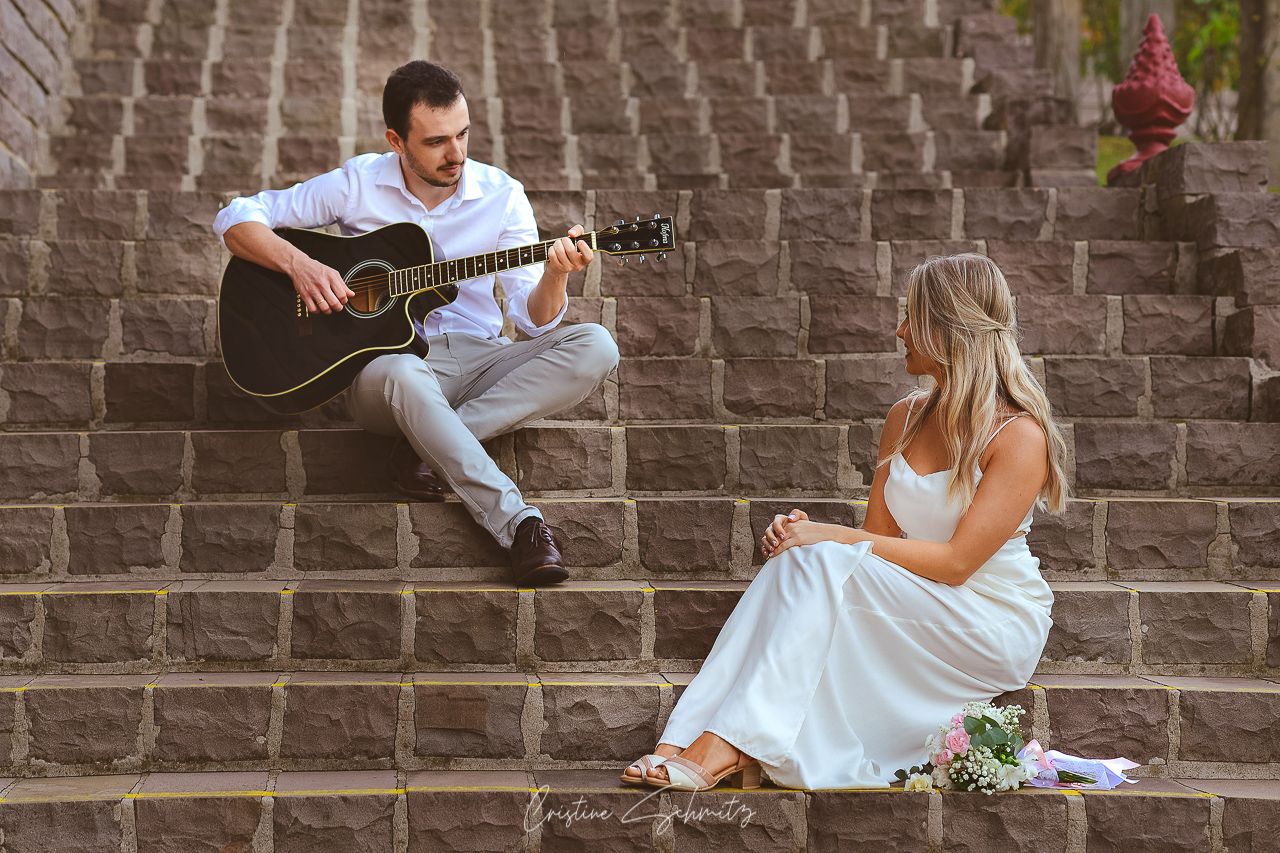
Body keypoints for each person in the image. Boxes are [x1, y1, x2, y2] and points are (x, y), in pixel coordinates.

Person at [623, 253, 1067, 791]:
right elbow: (881, 541)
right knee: (806, 560)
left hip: (989, 619)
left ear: (950, 326)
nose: (899, 329)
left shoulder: (1019, 436)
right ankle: (687, 740)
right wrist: (808, 539)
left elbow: (955, 565)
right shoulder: (904, 417)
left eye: (912, 317)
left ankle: (724, 744)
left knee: (824, 554)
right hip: (920, 599)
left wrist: (833, 538)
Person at [213, 61, 618, 586]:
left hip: (478, 356)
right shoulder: (359, 183)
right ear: (396, 141)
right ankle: (520, 522)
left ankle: (430, 443)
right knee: (406, 371)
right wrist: (301, 265)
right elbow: (239, 215)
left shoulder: (500, 194)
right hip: (387, 371)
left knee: (596, 344)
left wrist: (556, 277)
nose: (457, 154)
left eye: (463, 135)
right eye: (436, 142)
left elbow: (532, 321)